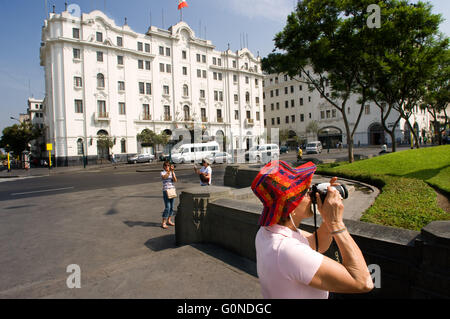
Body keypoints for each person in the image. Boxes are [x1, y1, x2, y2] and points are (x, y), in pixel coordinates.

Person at [252, 160, 373, 298]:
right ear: (291, 207)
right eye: (307, 192)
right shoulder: (286, 250)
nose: (312, 195)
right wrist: (336, 223)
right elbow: (363, 282)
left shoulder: (267, 232)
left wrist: (327, 216)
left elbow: (318, 244)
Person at [161, 160, 177, 229]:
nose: (167, 167)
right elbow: (164, 177)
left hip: (172, 190)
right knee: (167, 207)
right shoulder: (162, 172)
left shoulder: (172, 172)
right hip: (166, 191)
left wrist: (172, 172)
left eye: (168, 165)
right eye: (166, 165)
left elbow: (175, 180)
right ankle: (164, 222)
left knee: (172, 208)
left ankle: (169, 220)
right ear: (164, 166)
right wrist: (169, 171)